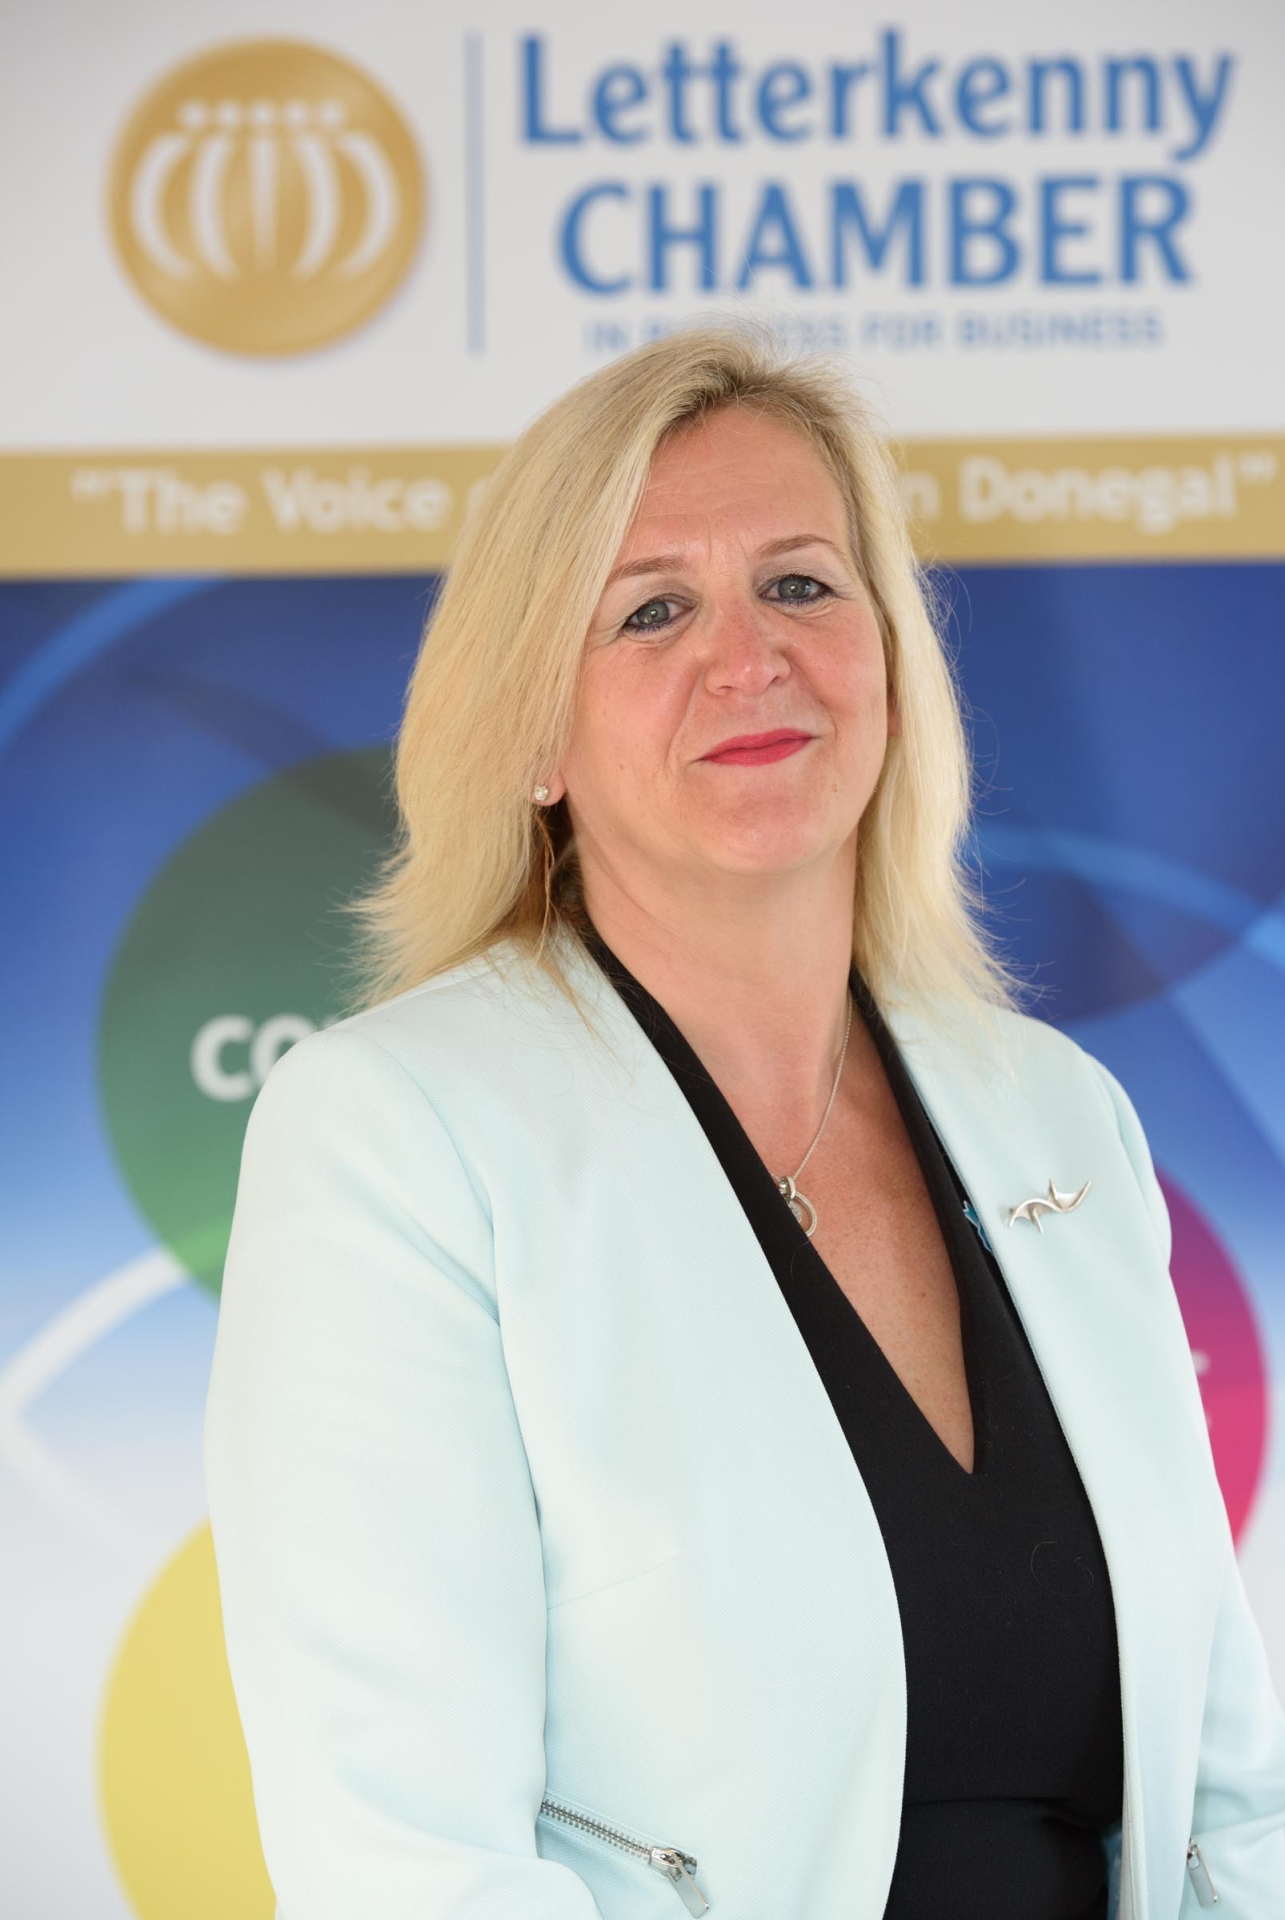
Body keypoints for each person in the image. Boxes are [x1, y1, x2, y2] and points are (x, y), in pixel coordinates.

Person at [203, 323, 1285, 1920]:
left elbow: (1228, 1798)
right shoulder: (392, 1134)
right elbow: (403, 1862)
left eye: (799, 583)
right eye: (652, 609)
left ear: (889, 662)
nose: (750, 655)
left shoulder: (1055, 1111)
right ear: (532, 734)